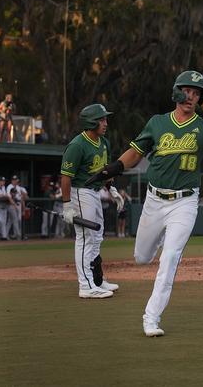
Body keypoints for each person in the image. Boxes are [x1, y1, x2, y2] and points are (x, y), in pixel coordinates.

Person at [81, 70, 203, 337]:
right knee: (141, 258)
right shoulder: (157, 123)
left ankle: (151, 317)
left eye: (197, 93)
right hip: (154, 200)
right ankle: (163, 241)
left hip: (184, 202)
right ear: (177, 91)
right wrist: (113, 168)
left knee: (170, 258)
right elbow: (135, 153)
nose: (191, 96)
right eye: (187, 90)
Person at [59, 103, 122, 299]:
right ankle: (85, 286)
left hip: (94, 192)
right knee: (86, 238)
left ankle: (96, 279)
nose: (105, 123)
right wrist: (67, 205)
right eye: (102, 119)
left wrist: (111, 189)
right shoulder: (77, 145)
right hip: (80, 192)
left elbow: (106, 170)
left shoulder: (104, 142)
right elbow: (66, 177)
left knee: (97, 235)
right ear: (91, 122)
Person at [5, 175, 27, 240]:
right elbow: (9, 197)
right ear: (11, 181)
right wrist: (14, 205)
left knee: (11, 220)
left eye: (16, 180)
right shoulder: (9, 187)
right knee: (15, 220)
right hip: (11, 205)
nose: (14, 181)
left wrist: (23, 208)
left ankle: (5, 235)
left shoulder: (19, 188)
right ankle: (18, 235)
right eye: (13, 180)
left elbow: (23, 198)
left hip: (18, 205)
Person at [0, 176, 12, 240]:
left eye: (4, 181)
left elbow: (5, 196)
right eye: (2, 181)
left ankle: (4, 236)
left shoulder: (3, 187)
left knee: (3, 222)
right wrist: (3, 195)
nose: (3, 182)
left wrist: (5, 196)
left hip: (4, 206)